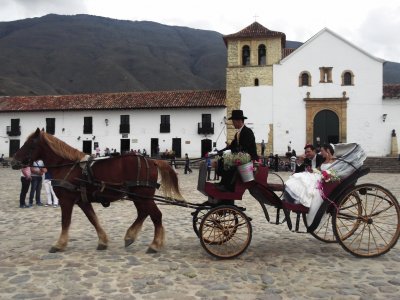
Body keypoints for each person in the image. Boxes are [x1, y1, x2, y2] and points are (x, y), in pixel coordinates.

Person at [284, 143, 366, 226]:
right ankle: (294, 199)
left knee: (305, 183)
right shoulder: (324, 160)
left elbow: (336, 173)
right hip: (319, 177)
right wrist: (313, 170)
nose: (320, 152)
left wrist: (327, 174)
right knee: (301, 179)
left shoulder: (336, 162)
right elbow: (318, 169)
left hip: (325, 181)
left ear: (327, 151)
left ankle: (299, 201)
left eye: (322, 151)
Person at [217, 110, 258, 191]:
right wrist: (220, 152)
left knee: (227, 160)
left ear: (239, 121)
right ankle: (224, 183)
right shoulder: (238, 134)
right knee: (221, 159)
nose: (233, 124)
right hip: (241, 155)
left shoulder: (247, 132)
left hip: (249, 157)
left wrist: (232, 151)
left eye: (233, 122)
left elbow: (244, 148)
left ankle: (228, 186)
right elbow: (232, 146)